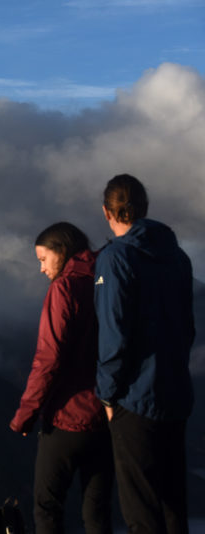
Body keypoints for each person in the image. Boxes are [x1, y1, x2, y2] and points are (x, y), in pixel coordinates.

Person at [95, 174, 195, 534]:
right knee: (173, 503)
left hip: (134, 398)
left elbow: (114, 336)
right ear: (145, 208)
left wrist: (107, 394)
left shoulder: (114, 259)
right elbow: (188, 328)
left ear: (106, 212)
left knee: (141, 510)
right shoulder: (178, 258)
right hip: (175, 392)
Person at [11, 222, 113, 534]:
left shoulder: (64, 289)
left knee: (47, 507)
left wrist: (25, 415)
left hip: (68, 418)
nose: (41, 269)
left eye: (43, 259)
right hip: (109, 414)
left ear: (61, 250)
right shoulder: (108, 277)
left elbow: (48, 358)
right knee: (97, 511)